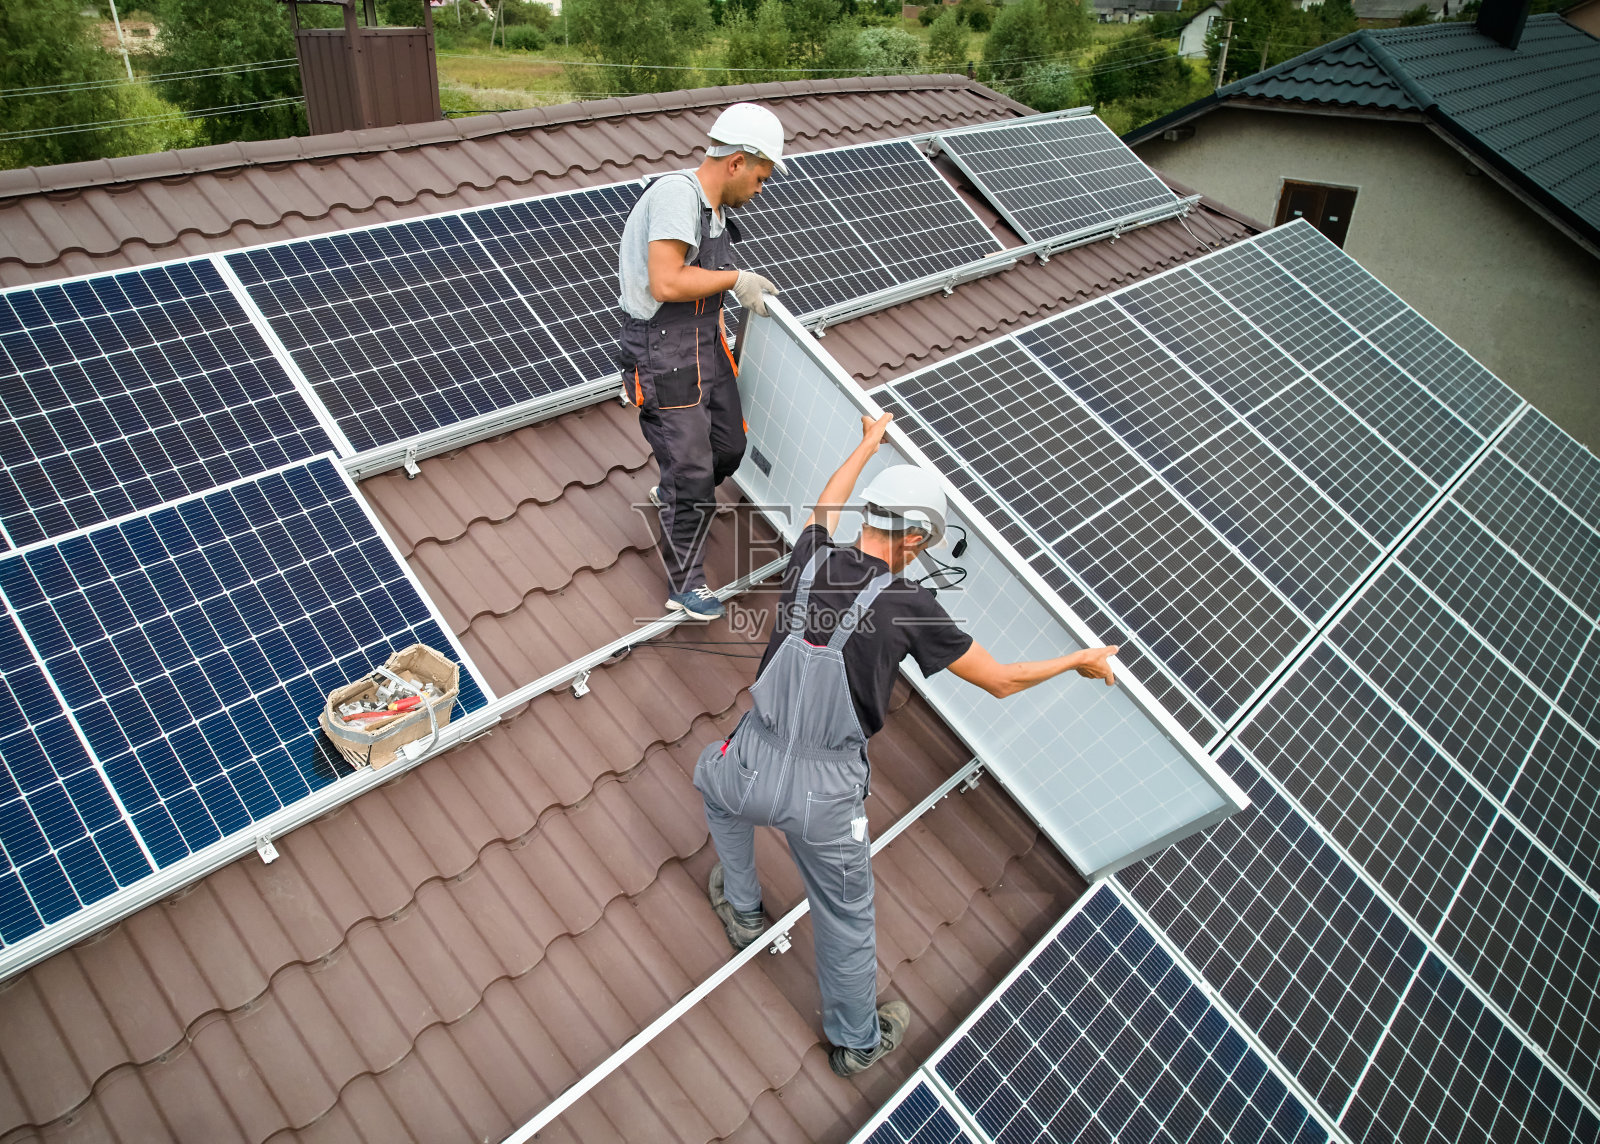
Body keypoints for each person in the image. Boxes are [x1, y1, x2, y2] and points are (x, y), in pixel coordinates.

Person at [692, 413, 1120, 1078]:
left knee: (710, 784)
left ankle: (742, 909)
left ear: (874, 516)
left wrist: (865, 441)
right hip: (826, 798)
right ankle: (857, 1041)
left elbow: (826, 503)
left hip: (751, 754)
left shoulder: (811, 557)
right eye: (924, 541)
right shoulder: (911, 606)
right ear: (914, 536)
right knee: (844, 915)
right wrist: (1077, 661)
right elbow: (1002, 681)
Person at [615, 102, 785, 621]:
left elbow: (695, 283)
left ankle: (675, 492)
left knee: (728, 447)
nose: (761, 189)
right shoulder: (676, 195)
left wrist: (720, 324)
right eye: (759, 177)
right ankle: (685, 584)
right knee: (692, 469)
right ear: (735, 162)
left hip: (704, 340)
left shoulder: (715, 212)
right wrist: (736, 280)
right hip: (664, 350)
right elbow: (667, 282)